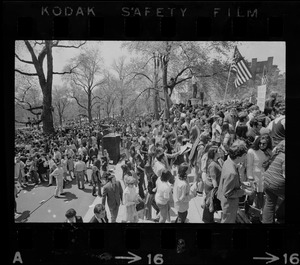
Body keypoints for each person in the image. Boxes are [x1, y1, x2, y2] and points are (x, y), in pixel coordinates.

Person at [217, 140, 254, 223]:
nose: (246, 158)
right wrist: (244, 192)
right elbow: (228, 193)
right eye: (245, 155)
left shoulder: (228, 161)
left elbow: (227, 182)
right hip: (229, 204)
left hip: (224, 200)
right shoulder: (232, 173)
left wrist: (241, 183)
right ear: (239, 157)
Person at [262, 140, 285, 223]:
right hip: (277, 184)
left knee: (269, 203)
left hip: (267, 181)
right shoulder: (284, 157)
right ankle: (281, 216)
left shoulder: (277, 153)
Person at [247, 135, 272, 210]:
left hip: (264, 177)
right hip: (254, 176)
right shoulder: (251, 151)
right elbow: (249, 165)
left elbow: (272, 161)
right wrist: (250, 178)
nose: (261, 145)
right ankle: (247, 210)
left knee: (261, 196)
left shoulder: (269, 152)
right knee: (252, 195)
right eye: (260, 143)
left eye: (264, 144)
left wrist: (268, 162)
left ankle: (259, 212)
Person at [202, 146, 222, 223]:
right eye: (218, 151)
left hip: (213, 186)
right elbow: (213, 179)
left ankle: (210, 219)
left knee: (211, 204)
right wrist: (216, 190)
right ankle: (207, 220)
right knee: (210, 203)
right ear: (214, 153)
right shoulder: (213, 165)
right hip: (211, 187)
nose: (220, 152)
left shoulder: (218, 161)